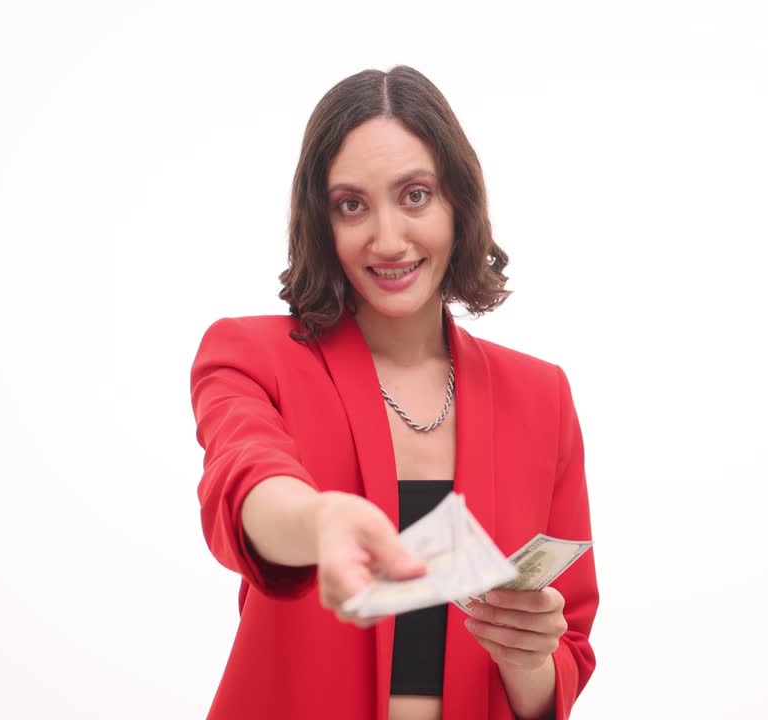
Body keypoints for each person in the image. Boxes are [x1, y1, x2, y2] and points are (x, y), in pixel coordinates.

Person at [189, 65, 598, 720]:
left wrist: (528, 657)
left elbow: (564, 661)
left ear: (458, 203)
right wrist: (319, 521)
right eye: (352, 204)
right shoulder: (250, 355)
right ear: (321, 222)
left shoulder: (541, 395)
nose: (387, 239)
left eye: (415, 196)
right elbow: (245, 481)